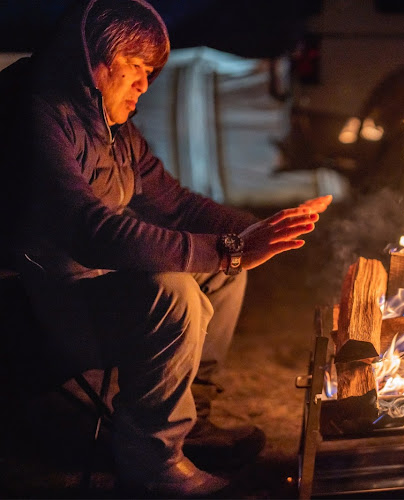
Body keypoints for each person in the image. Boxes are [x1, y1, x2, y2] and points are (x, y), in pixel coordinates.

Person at [0, 0, 331, 496]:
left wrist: (259, 232)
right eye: (137, 69)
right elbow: (92, 232)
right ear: (98, 59)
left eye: (152, 73)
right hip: (31, 303)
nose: (145, 85)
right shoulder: (39, 114)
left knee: (226, 267)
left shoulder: (111, 129)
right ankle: (153, 464)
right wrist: (227, 248)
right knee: (173, 287)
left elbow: (174, 205)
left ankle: (191, 415)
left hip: (82, 290)